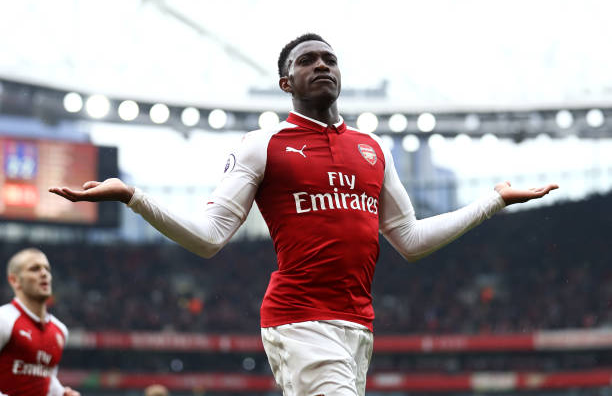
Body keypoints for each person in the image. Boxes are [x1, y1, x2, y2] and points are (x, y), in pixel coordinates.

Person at [49, 33, 558, 396]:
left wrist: (493, 201)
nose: (322, 66)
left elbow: (410, 238)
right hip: (300, 318)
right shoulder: (263, 145)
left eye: (329, 59)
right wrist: (132, 196)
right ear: (285, 81)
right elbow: (208, 238)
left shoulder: (372, 148)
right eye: (308, 60)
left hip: (358, 324)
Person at [0, 248, 79, 396]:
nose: (44, 274)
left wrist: (61, 393)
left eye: (47, 269)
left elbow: (45, 377)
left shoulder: (60, 330)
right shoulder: (3, 319)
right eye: (34, 269)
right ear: (14, 280)